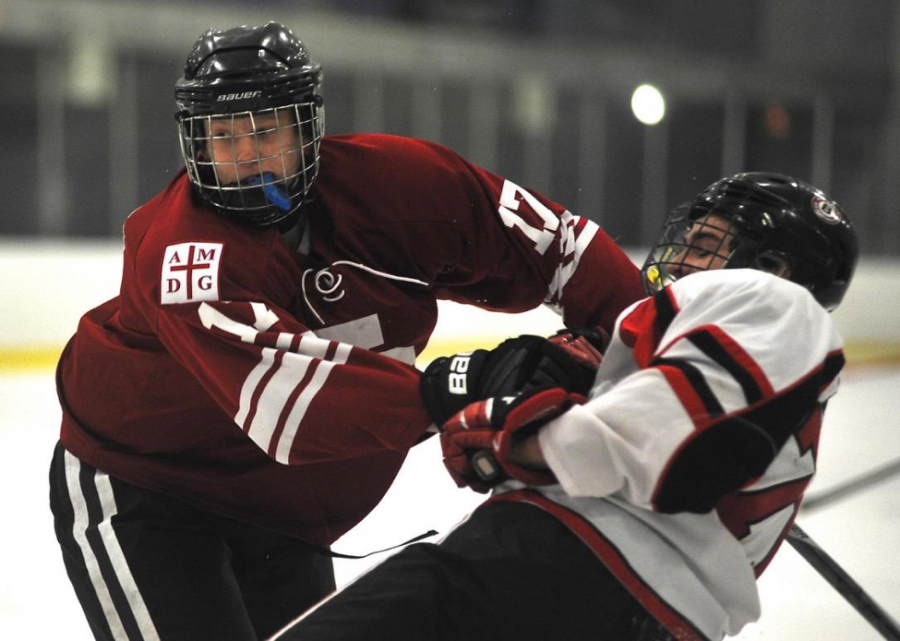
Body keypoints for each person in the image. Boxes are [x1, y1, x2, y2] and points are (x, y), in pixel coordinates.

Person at [47, 21, 644, 641]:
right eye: (222, 136)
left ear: (308, 126)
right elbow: (289, 405)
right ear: (193, 143)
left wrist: (653, 337)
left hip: (288, 513)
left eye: (265, 128)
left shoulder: (400, 184)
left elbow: (559, 247)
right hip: (147, 489)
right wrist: (463, 385)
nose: (245, 154)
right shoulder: (182, 254)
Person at [271, 172, 858, 641]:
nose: (678, 258)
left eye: (706, 245)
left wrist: (521, 439)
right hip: (624, 601)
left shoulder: (775, 303)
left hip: (569, 571)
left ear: (776, 269)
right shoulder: (749, 355)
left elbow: (669, 456)